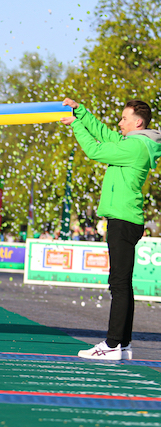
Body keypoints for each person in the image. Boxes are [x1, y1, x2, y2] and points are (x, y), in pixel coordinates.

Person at [61, 98, 161, 360]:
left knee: (118, 284)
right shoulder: (133, 143)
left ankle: (113, 344)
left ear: (137, 122)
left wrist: (76, 126)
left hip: (123, 220)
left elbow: (95, 150)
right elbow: (104, 133)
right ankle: (123, 344)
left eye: (124, 119)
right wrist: (80, 111)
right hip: (125, 219)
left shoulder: (136, 147)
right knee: (123, 284)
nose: (119, 123)